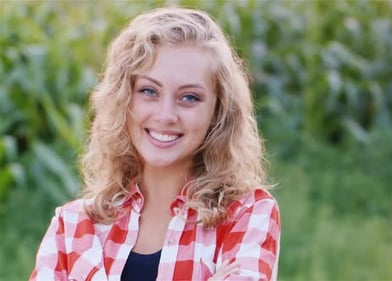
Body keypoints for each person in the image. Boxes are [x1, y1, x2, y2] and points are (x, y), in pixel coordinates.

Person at [30, 6, 280, 281]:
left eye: (189, 97)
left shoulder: (248, 214)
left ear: (218, 111)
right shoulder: (73, 227)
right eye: (149, 91)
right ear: (124, 98)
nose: (165, 115)